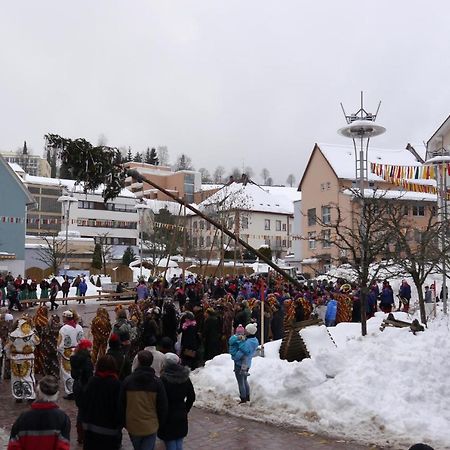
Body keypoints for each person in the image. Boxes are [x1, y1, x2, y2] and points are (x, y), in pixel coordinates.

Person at [119, 350, 168, 450]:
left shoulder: (128, 381)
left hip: (133, 424)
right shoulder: (157, 383)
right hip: (151, 425)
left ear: (138, 362)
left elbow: (121, 404)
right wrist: (159, 423)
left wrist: (124, 422)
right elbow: (163, 406)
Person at [7, 375, 71, 450]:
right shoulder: (62, 418)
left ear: (38, 392)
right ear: (57, 393)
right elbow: (63, 447)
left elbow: (14, 446)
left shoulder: (23, 418)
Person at [82, 355, 123, 450]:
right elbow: (119, 407)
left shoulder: (92, 382)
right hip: (110, 430)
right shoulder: (116, 384)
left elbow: (84, 402)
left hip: (91, 429)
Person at [157, 353, 195, 450]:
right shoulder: (185, 378)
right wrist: (185, 408)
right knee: (179, 441)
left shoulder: (162, 379)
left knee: (170, 442)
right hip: (181, 412)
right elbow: (191, 396)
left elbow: (159, 399)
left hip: (167, 415)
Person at [5, 317, 40, 402]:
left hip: (15, 358)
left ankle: (18, 396)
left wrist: (9, 356)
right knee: (28, 376)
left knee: (16, 377)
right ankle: (30, 395)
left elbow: (6, 347)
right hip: (27, 358)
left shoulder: (11, 335)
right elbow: (37, 342)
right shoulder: (31, 334)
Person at [71, 339, 94, 444]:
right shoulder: (87, 360)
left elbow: (73, 375)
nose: (91, 349)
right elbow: (89, 376)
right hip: (85, 387)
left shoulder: (74, 358)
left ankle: (80, 434)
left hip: (77, 386)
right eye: (90, 347)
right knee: (86, 412)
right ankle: (85, 434)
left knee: (81, 411)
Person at [58, 309, 84, 400]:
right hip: (78, 351)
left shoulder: (63, 329)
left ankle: (70, 392)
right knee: (77, 371)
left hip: (67, 353)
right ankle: (78, 389)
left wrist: (60, 352)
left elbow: (61, 344)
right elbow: (82, 340)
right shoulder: (79, 327)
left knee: (67, 373)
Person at [230, 322, 259, 404]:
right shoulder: (254, 340)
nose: (244, 331)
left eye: (246, 330)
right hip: (247, 364)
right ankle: (247, 396)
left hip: (240, 364)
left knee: (240, 382)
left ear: (249, 331)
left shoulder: (247, 342)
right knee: (244, 380)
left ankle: (243, 398)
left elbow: (241, 353)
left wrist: (234, 357)